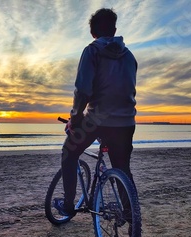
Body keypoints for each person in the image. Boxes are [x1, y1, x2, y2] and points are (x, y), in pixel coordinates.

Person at [55, 8, 138, 218]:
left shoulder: (92, 51)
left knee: (68, 153)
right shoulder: (130, 57)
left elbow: (83, 90)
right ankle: (131, 219)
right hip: (126, 121)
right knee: (123, 170)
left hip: (97, 120)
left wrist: (75, 119)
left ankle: (68, 205)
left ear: (93, 33)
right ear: (115, 29)